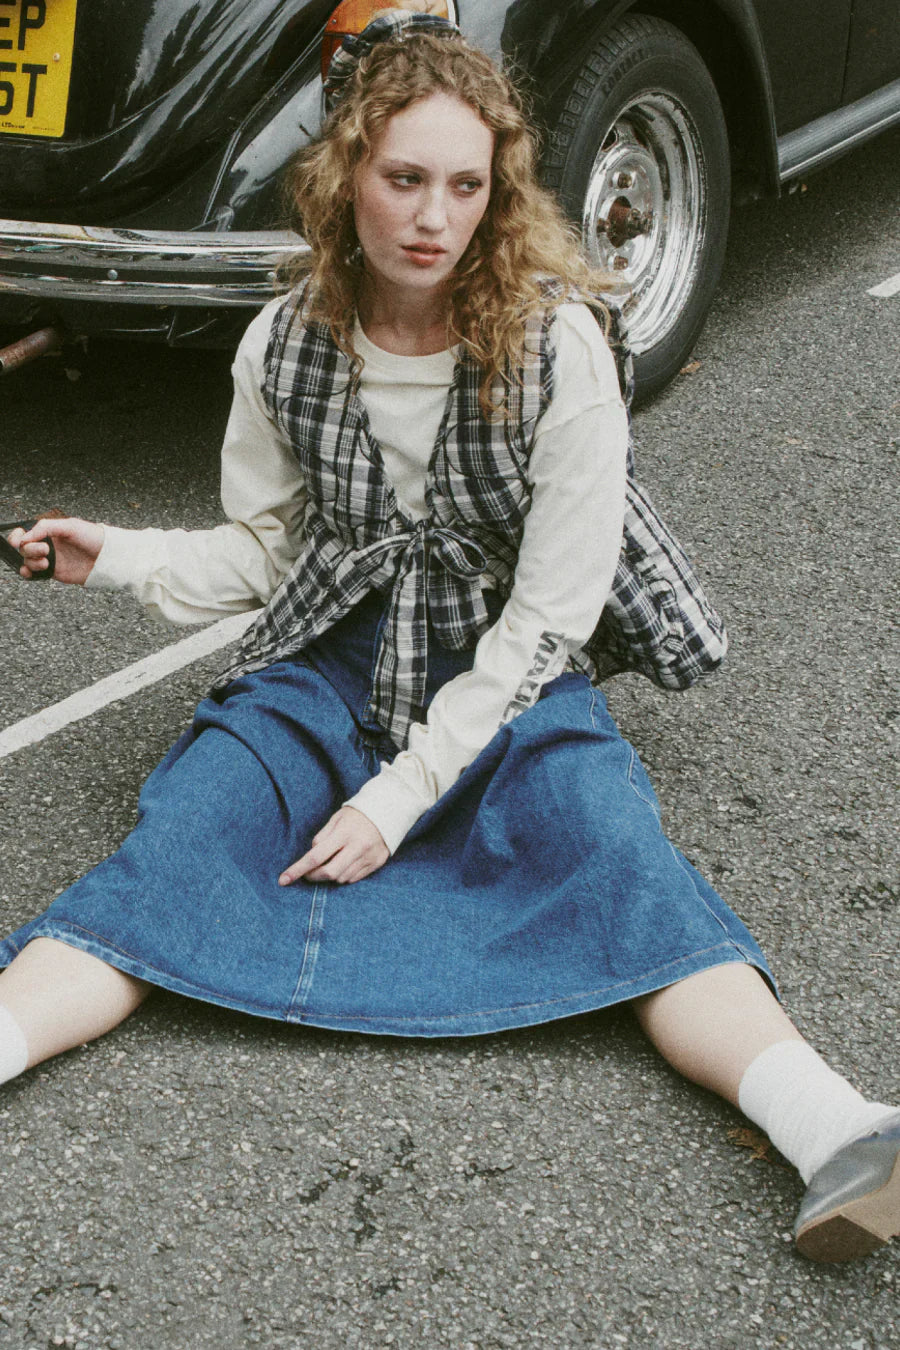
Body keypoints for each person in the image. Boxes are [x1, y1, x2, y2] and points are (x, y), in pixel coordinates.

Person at [2, 13, 897, 1265]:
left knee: (615, 852)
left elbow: (551, 616)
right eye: (405, 178)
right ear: (344, 176)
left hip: (503, 668)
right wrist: (119, 555)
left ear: (499, 190)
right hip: (330, 657)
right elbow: (269, 556)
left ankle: (840, 1132)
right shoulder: (282, 342)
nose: (434, 218)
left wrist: (398, 796)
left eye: (466, 186)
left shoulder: (560, 349)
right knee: (184, 835)